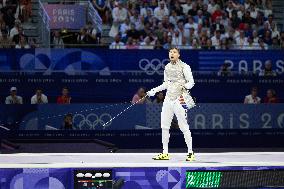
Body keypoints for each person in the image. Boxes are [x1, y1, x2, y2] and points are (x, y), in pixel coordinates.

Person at [147, 47, 195, 161]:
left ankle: (190, 152)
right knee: (164, 126)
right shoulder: (167, 67)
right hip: (168, 98)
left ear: (178, 55)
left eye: (174, 52)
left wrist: (185, 86)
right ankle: (165, 153)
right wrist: (154, 90)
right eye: (170, 52)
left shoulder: (185, 66)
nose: (171, 54)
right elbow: (166, 84)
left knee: (183, 126)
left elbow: (191, 82)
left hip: (180, 98)